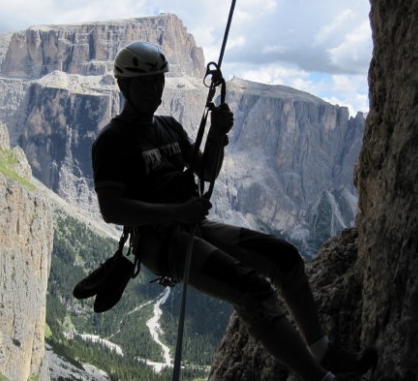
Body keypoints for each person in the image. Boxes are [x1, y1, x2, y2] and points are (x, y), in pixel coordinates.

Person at [91, 41, 374, 381]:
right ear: (124, 86)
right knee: (253, 291)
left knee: (284, 257)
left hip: (193, 225)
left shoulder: (169, 127)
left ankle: (323, 351)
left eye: (159, 80)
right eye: (145, 82)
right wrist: (177, 211)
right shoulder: (112, 141)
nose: (155, 88)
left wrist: (217, 133)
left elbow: (206, 171)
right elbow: (112, 209)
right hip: (159, 242)